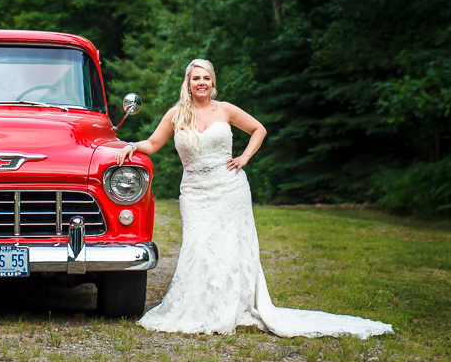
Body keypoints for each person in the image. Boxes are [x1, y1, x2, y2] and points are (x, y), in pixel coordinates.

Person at [115, 58, 393, 338]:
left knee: (230, 247)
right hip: (195, 192)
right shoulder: (176, 115)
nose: (201, 83)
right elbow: (152, 144)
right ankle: (197, 308)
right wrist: (130, 146)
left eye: (206, 78)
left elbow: (259, 129)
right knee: (198, 245)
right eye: (196, 78)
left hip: (229, 187)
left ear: (213, 83)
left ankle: (233, 305)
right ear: (187, 83)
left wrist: (244, 157)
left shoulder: (226, 110)